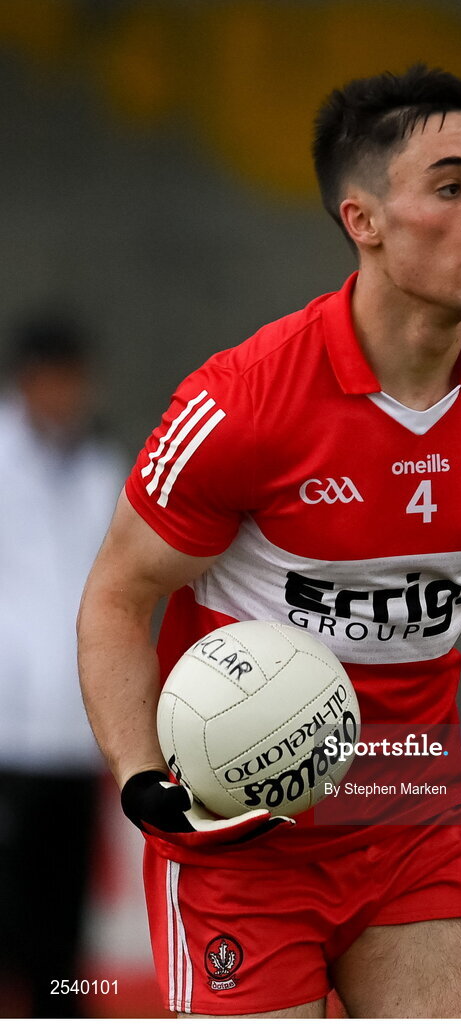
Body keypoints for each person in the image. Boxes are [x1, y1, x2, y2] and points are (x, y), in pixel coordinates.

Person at [77, 65, 461, 1019]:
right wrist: (141, 783)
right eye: (451, 187)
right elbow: (118, 597)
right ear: (362, 219)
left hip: (415, 823)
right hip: (243, 842)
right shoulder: (242, 403)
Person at [0, 315, 125, 1017]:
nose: (66, 395)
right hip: (6, 736)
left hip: (74, 737)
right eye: (55, 379)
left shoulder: (101, 468)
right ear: (28, 380)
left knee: (64, 927)